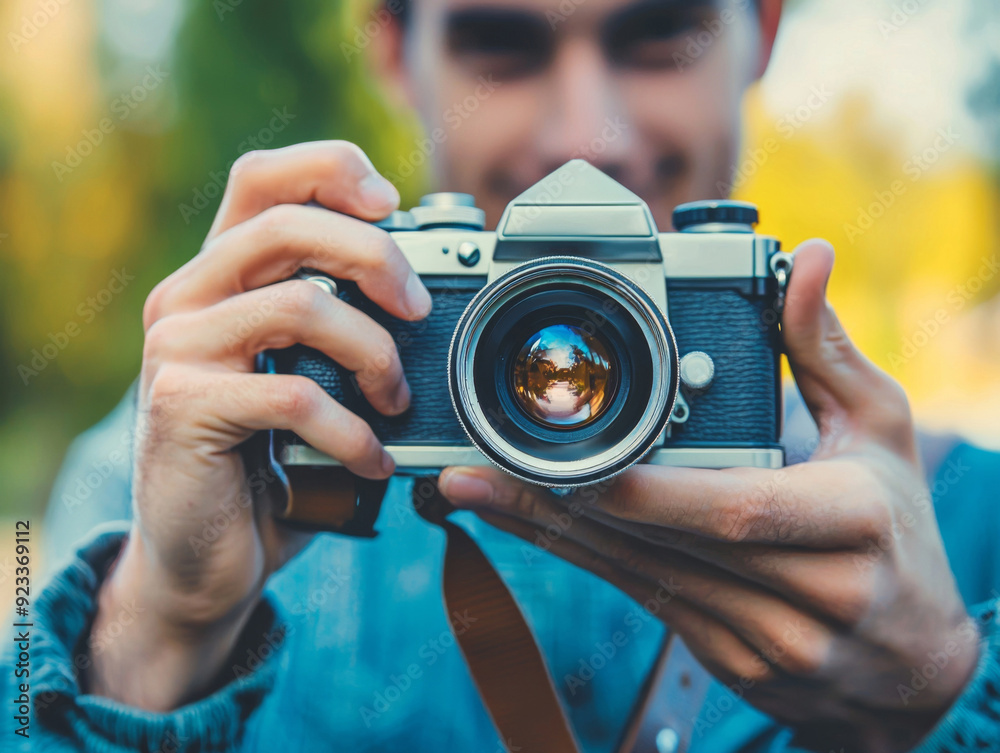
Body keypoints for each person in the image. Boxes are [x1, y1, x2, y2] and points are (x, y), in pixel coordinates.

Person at [8, 0, 1000, 751]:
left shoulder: (961, 523)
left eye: (658, 37)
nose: (587, 137)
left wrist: (944, 686)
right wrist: (159, 631)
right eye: (502, 46)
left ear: (764, 29)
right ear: (394, 50)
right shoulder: (208, 466)